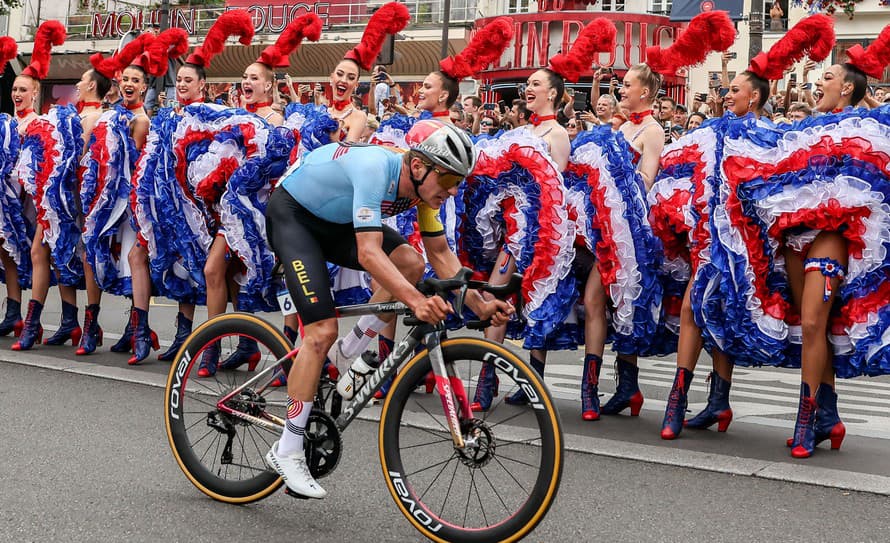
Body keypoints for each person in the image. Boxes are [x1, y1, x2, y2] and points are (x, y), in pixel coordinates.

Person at [263, 120, 512, 498]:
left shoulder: (425, 189)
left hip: (336, 222)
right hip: (293, 217)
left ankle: (353, 351)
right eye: (447, 180)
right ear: (418, 166)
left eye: (458, 182)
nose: (452, 190)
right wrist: (416, 301)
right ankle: (288, 448)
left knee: (410, 264)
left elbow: (440, 255)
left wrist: (478, 302)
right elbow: (368, 252)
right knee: (320, 332)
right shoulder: (376, 168)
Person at [0, 38, 34, 338]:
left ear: (34, 94)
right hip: (7, 198)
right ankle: (13, 312)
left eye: (23, 90)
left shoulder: (38, 123)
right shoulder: (8, 122)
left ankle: (31, 319)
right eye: (14, 89)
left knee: (39, 257)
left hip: (29, 202)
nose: (17, 94)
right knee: (6, 251)